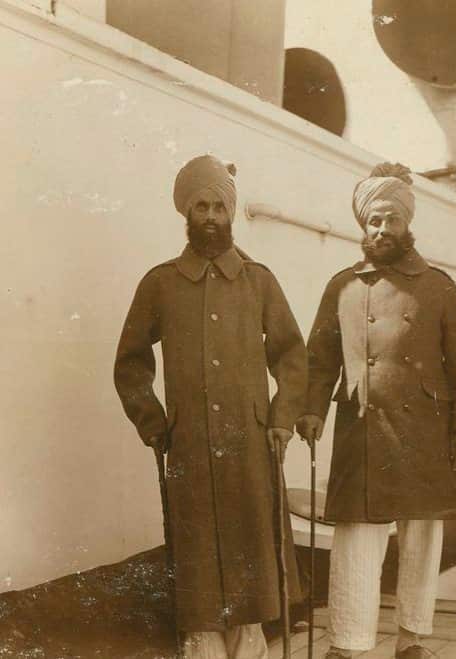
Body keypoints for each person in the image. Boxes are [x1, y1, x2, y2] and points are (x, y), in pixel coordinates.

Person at [114, 155, 307, 659]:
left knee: (251, 570)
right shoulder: (160, 283)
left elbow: (291, 355)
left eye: (219, 207)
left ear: (231, 212)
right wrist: (153, 422)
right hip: (190, 450)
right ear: (187, 212)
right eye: (201, 206)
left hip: (251, 449)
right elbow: (130, 362)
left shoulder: (259, 282)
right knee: (197, 573)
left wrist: (281, 419)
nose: (210, 217)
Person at [296, 163, 456, 659]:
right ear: (363, 224)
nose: (381, 229)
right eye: (373, 221)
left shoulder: (438, 286)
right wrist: (311, 410)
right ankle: (347, 644)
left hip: (428, 432)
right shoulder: (343, 286)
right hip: (363, 428)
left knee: (421, 538)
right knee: (356, 539)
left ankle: (412, 639)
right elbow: (319, 360)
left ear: (407, 223)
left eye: (391, 220)